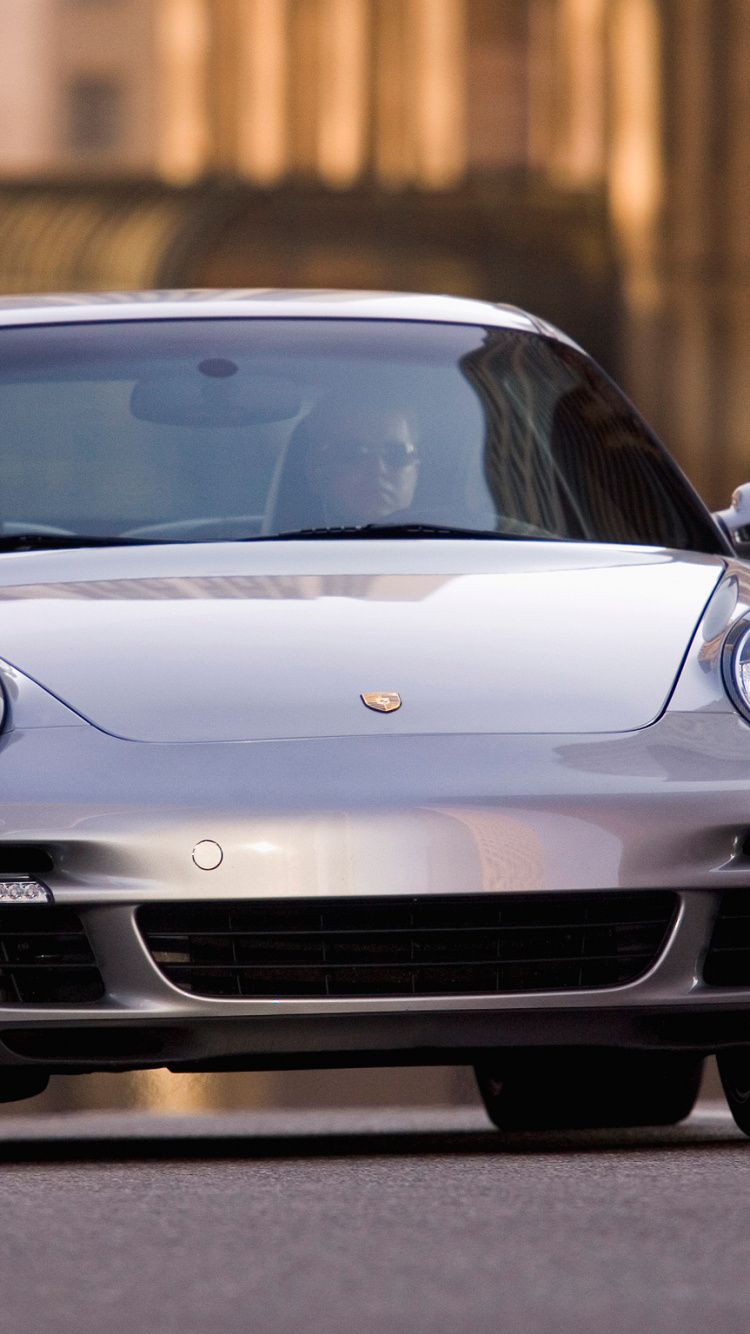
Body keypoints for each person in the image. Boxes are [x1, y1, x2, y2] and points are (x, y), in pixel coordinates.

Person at [275, 400, 420, 531]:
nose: (378, 469)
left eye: (397, 454)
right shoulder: (270, 558)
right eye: (354, 453)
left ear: (416, 471)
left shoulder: (440, 555)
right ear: (315, 470)